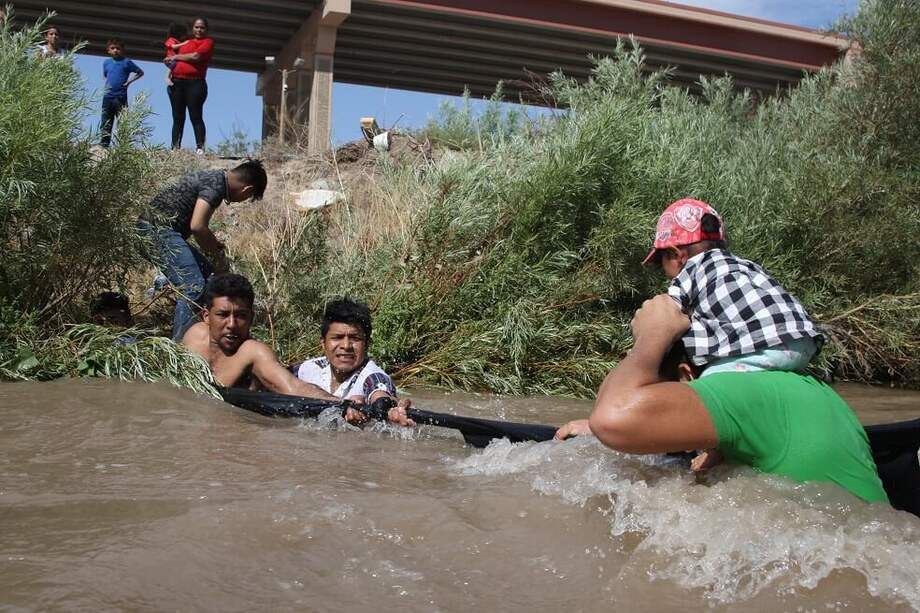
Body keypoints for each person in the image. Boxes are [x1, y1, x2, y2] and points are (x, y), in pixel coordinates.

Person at [556, 294, 888, 505]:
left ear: (686, 376)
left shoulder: (736, 394)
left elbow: (613, 419)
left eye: (656, 389)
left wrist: (651, 336)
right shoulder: (802, 388)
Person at [644, 198, 824, 469]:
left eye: (662, 262)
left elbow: (668, 317)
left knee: (712, 387)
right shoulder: (744, 265)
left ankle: (717, 451)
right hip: (803, 343)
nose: (664, 272)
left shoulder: (689, 272)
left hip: (763, 347)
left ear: (675, 254)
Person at [182, 274, 413, 427]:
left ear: (251, 318)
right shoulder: (192, 337)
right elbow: (293, 374)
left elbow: (291, 386)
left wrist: (372, 406)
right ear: (206, 317)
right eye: (222, 315)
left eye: (241, 316)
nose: (232, 324)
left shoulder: (254, 353)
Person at [138, 159, 267, 341]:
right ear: (248, 190)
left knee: (209, 277)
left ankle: (206, 335)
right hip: (155, 231)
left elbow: (200, 228)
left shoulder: (214, 179)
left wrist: (213, 246)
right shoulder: (216, 186)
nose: (241, 200)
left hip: (159, 230)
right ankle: (181, 347)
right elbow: (198, 225)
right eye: (246, 198)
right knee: (193, 286)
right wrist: (216, 255)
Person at [291, 298, 415, 425]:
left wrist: (390, 408)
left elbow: (381, 396)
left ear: (367, 344)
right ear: (323, 343)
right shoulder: (309, 368)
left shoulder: (372, 376)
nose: (346, 346)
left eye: (355, 338)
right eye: (337, 337)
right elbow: (276, 380)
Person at [166, 17, 213, 153]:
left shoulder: (208, 42)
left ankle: (200, 147)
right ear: (192, 29)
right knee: (178, 117)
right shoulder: (185, 43)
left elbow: (196, 57)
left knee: (195, 115)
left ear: (206, 30)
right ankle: (175, 148)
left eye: (202, 27)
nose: (199, 30)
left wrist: (176, 57)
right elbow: (172, 57)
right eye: (196, 27)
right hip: (177, 82)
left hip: (195, 83)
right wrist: (169, 67)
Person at [99, 38, 143, 148]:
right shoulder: (106, 62)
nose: (115, 50)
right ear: (108, 50)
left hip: (120, 96)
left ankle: (123, 145)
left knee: (122, 121)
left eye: (118, 48)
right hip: (108, 96)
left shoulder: (126, 62)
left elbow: (140, 72)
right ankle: (104, 144)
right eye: (112, 48)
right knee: (106, 121)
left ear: (122, 50)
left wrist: (129, 81)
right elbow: (105, 75)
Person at [163, 22, 190, 87]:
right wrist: (184, 44)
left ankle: (171, 78)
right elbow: (173, 46)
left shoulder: (179, 42)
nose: (185, 36)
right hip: (171, 59)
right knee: (174, 65)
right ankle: (167, 77)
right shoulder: (171, 39)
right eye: (184, 34)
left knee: (176, 68)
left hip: (175, 59)